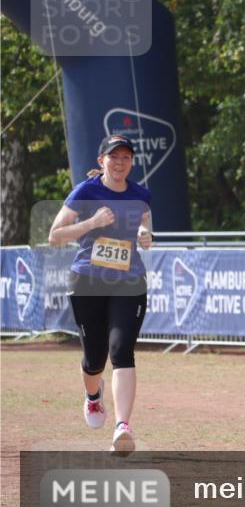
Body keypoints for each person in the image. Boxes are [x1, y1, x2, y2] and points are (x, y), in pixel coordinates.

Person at [48, 135, 153, 454]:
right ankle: (93, 396)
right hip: (88, 282)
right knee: (94, 359)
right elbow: (55, 236)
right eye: (114, 157)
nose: (120, 162)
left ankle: (123, 426)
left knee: (122, 350)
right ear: (101, 161)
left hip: (129, 281)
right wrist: (91, 222)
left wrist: (145, 235)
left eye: (126, 157)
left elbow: (144, 227)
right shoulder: (86, 191)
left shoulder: (140, 194)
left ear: (131, 162)